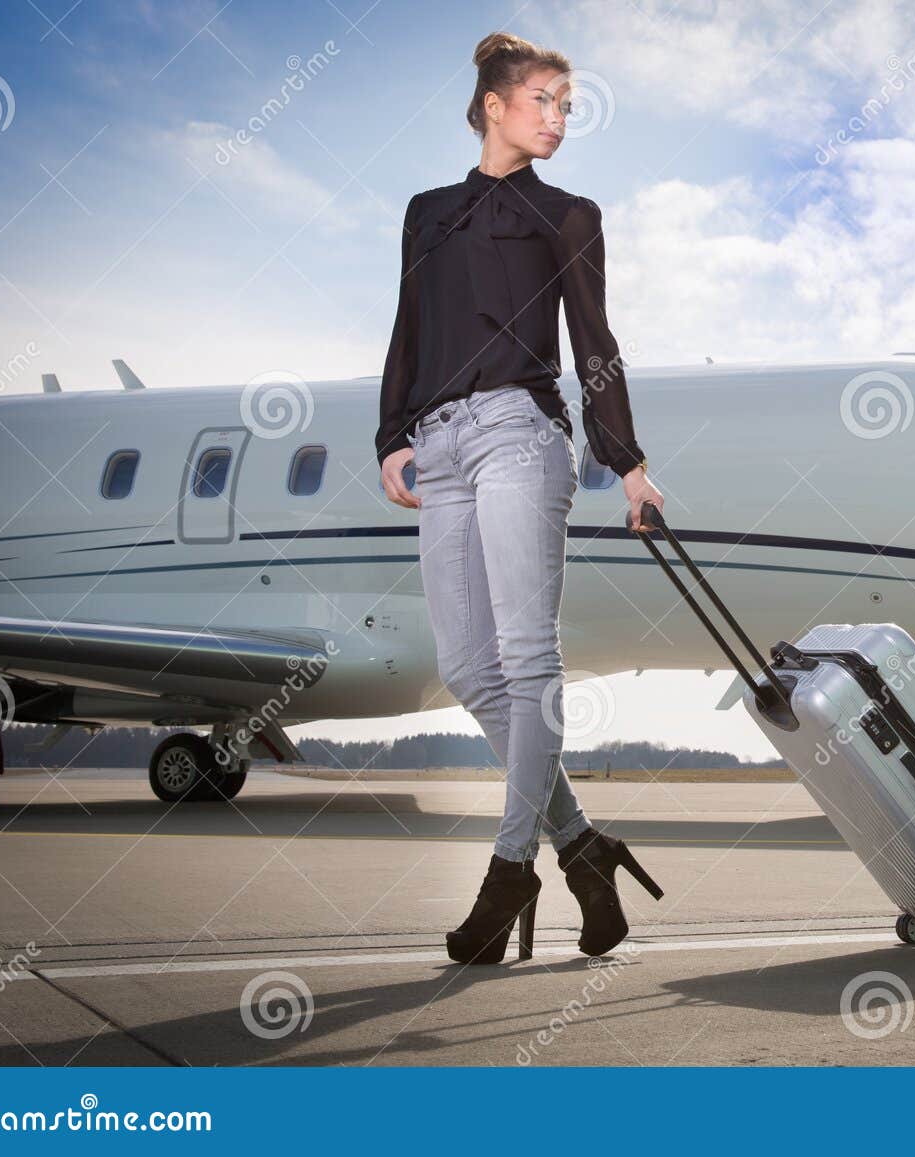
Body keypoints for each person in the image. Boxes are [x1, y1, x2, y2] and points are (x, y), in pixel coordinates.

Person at [374, 31, 665, 965]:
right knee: (466, 664)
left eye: (566, 106)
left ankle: (511, 871)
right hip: (442, 442)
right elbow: (406, 328)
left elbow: (595, 343)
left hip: (520, 433)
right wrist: (393, 434)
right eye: (543, 101)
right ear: (494, 105)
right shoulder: (426, 212)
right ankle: (584, 849)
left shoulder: (570, 215)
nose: (558, 119)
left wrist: (625, 461)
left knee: (529, 653)